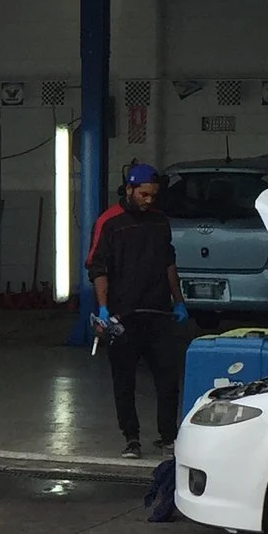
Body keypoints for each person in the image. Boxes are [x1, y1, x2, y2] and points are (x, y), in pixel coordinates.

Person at [86, 161, 186, 459]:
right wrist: (103, 308)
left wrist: (178, 300)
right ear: (129, 189)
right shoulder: (109, 222)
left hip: (158, 312)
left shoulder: (159, 221)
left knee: (168, 378)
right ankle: (131, 438)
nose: (149, 200)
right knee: (124, 380)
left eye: (153, 195)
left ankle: (168, 436)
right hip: (122, 316)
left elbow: (169, 263)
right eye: (144, 194)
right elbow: (98, 268)